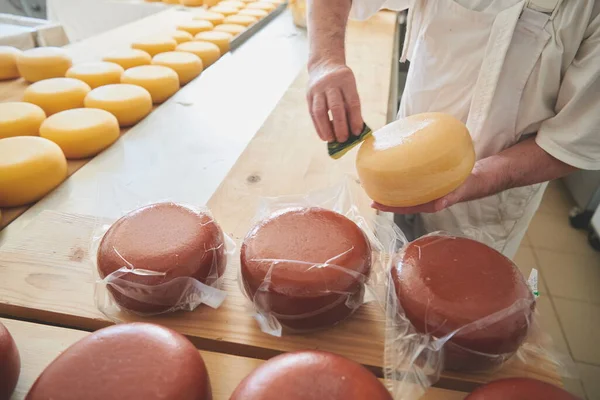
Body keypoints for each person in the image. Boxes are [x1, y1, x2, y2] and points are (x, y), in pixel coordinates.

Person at [307, 0, 600, 258]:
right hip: (397, 162)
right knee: (387, 272)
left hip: (487, 204)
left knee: (446, 304)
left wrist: (474, 179)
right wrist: (325, 61)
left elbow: (570, 145)